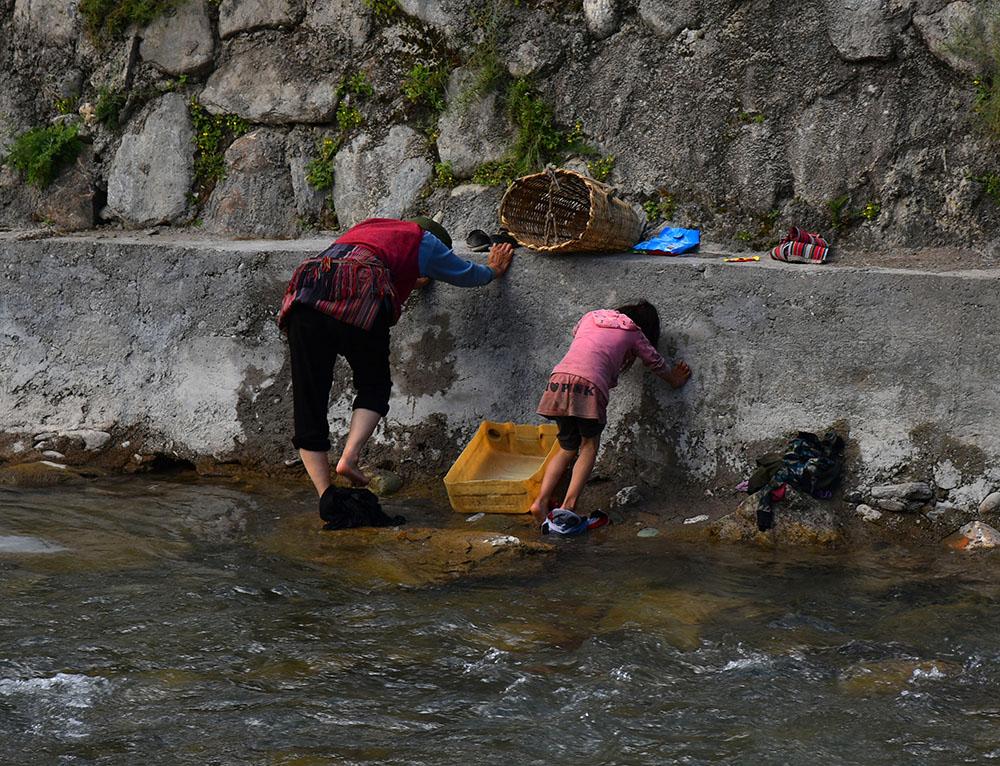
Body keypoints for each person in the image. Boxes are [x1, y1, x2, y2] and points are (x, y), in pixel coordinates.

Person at [279, 216, 514, 520]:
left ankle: (326, 495)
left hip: (307, 294)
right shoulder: (424, 240)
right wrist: (492, 270)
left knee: (309, 399)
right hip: (360, 294)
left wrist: (411, 278)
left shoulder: (369, 228)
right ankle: (349, 457)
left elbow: (359, 264)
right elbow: (464, 273)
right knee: (373, 385)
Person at [529, 300, 691, 524]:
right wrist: (673, 379)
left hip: (558, 379)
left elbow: (577, 333)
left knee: (566, 448)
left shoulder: (592, 316)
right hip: (590, 385)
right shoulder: (633, 332)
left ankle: (540, 502)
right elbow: (654, 360)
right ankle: (568, 507)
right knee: (589, 446)